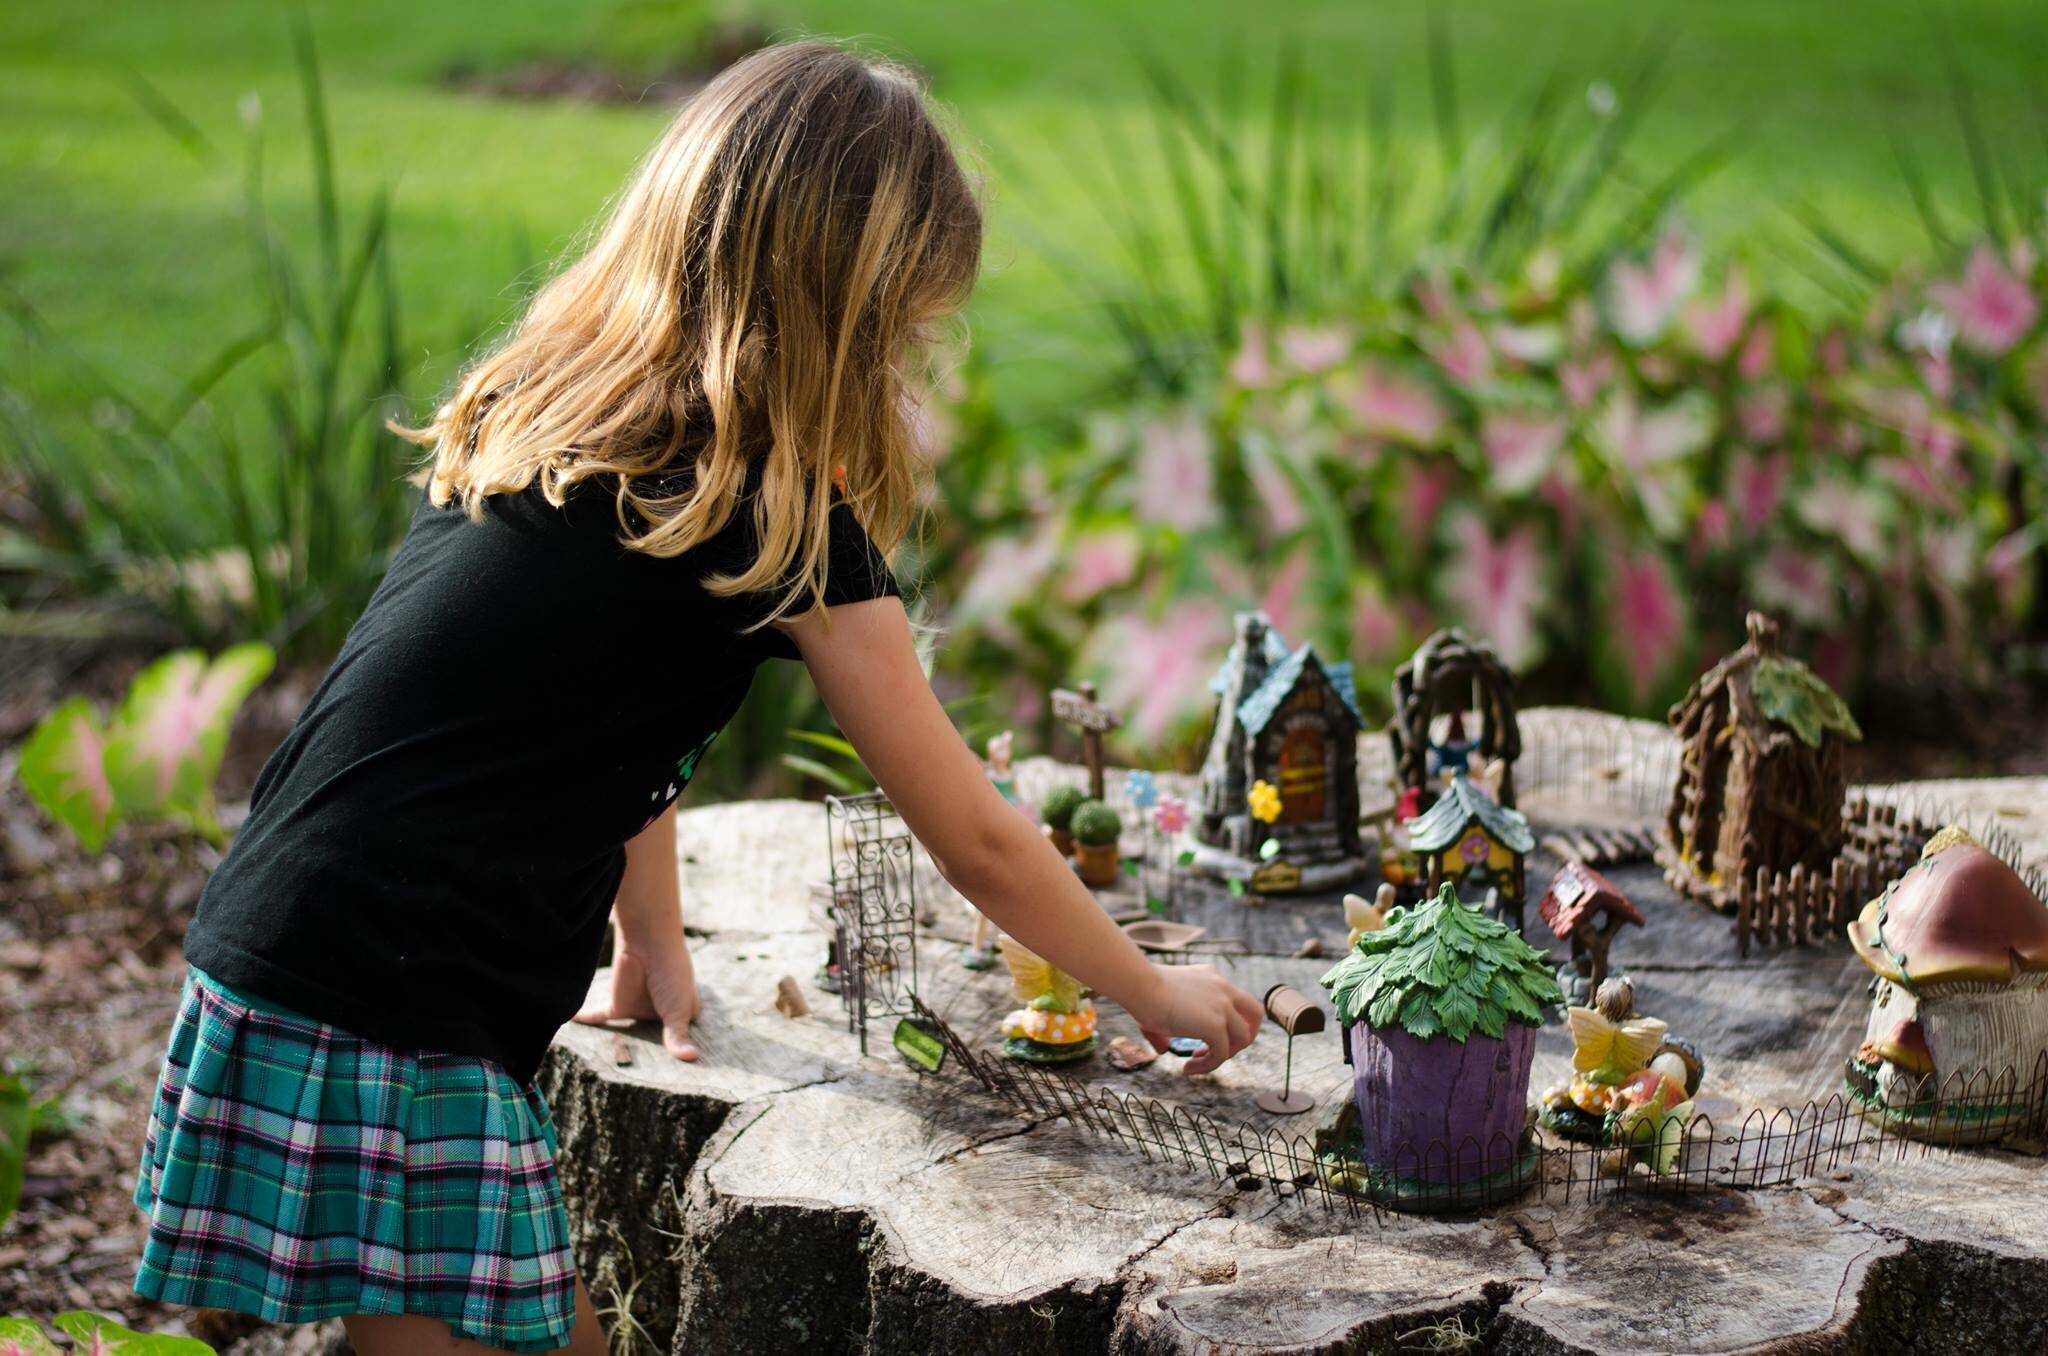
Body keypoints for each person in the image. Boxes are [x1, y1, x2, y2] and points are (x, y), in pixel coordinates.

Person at [131, 40, 1264, 1356]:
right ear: (843, 321)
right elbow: (979, 838)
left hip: (295, 949)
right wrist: (1150, 990)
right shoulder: (768, 520)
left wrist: (650, 936)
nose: (909, 374)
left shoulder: (558, 416)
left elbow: (600, 722)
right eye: (904, 336)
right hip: (400, 1009)